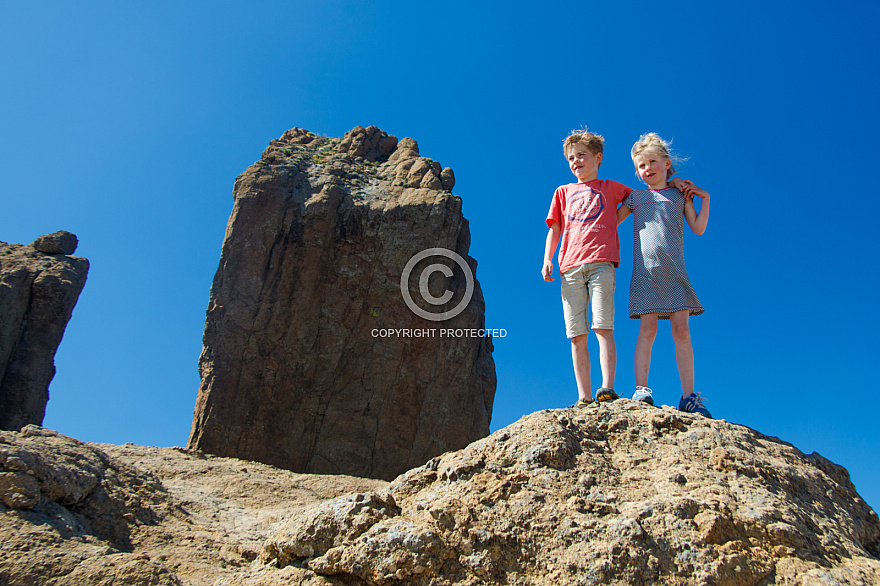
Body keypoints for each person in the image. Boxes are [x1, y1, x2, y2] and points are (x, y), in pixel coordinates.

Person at [616, 132, 712, 417]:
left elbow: (698, 227)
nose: (647, 169)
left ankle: (689, 397)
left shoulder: (678, 195)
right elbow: (611, 221)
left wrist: (704, 198)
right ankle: (641, 389)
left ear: (667, 163)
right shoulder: (636, 197)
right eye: (641, 166)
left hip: (675, 273)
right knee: (647, 329)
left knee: (682, 330)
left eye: (653, 162)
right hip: (645, 273)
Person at [542, 128, 632, 407]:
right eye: (571, 158)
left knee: (603, 326)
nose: (576, 161)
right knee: (576, 334)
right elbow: (555, 227)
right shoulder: (563, 192)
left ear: (598, 158)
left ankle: (607, 387)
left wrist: (611, 222)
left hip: (602, 264)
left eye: (582, 155)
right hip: (569, 267)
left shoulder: (610, 187)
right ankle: (584, 395)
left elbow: (636, 198)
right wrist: (548, 257)